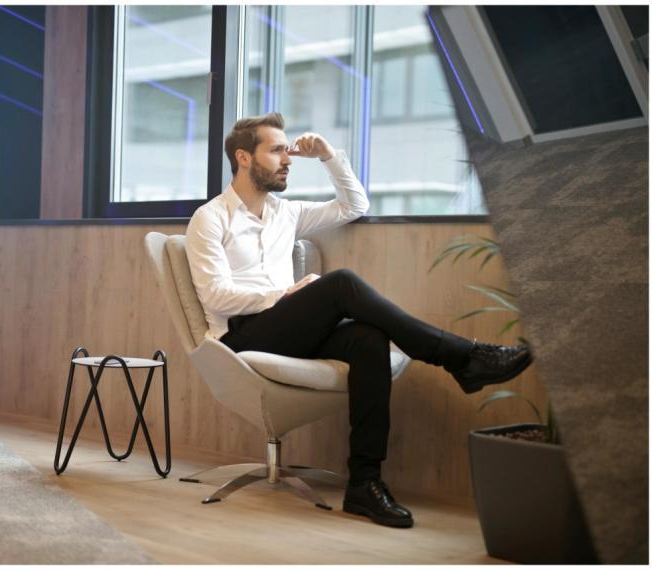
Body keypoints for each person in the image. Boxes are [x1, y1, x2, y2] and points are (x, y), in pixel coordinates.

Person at [185, 113, 533, 529]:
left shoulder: (286, 213)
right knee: (342, 284)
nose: (288, 159)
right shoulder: (210, 218)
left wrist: (328, 156)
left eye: (286, 151)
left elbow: (355, 205)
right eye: (276, 150)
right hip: (241, 336)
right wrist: (285, 294)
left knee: (368, 339)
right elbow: (215, 296)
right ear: (243, 157)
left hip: (286, 330)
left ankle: (364, 484)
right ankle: (462, 356)